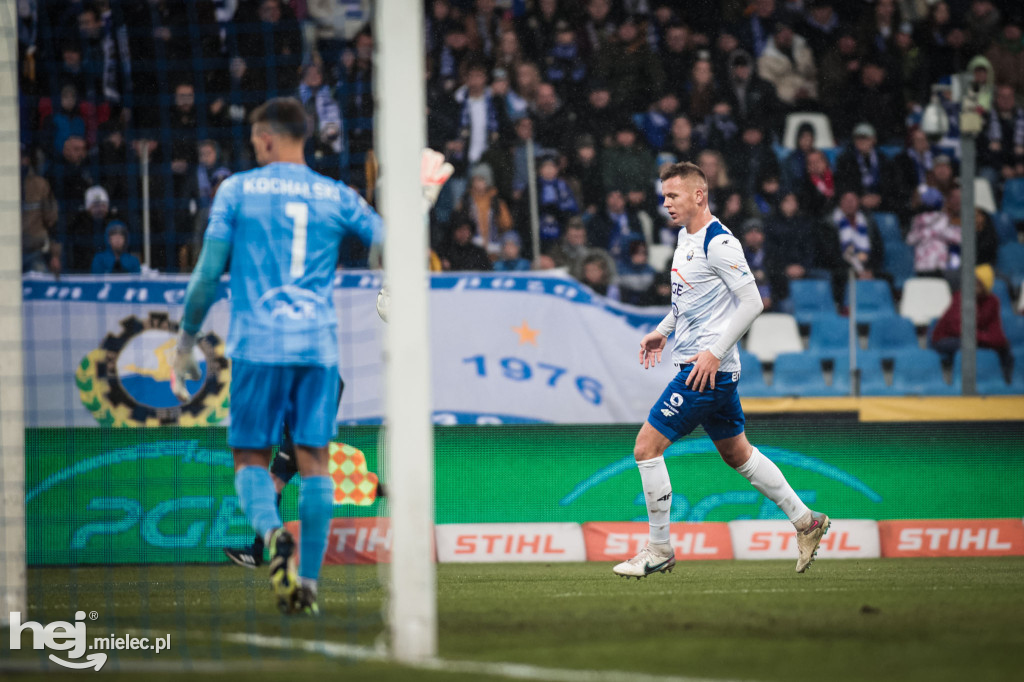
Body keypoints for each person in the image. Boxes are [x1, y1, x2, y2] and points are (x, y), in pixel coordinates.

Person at [169, 98, 405, 616]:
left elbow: (207, 276)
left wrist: (185, 343)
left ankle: (273, 537)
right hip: (318, 346)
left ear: (267, 138)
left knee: (250, 459)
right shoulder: (337, 194)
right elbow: (397, 244)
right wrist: (393, 285)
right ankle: (312, 587)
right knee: (315, 462)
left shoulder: (236, 190)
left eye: (255, 140)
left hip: (258, 344)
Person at [614, 161, 829, 579]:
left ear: (699, 195)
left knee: (646, 448)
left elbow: (753, 302)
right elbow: (688, 302)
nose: (666, 204)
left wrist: (713, 351)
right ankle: (807, 521)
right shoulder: (684, 238)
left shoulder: (720, 243)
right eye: (664, 196)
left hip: (704, 372)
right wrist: (663, 330)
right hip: (713, 370)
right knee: (738, 454)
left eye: (672, 196)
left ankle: (659, 548)